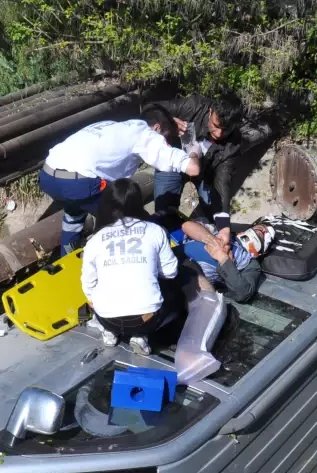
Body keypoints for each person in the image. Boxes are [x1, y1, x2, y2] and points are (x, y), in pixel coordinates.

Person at [40, 106, 201, 255]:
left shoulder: (114, 126)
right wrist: (194, 151)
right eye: (165, 138)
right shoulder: (145, 135)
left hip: (48, 176)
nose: (165, 143)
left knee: (74, 214)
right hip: (78, 182)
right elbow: (193, 168)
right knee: (133, 223)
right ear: (157, 128)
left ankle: (67, 259)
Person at [81, 178, 209, 355]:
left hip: (106, 317)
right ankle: (141, 336)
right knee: (178, 293)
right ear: (138, 204)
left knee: (105, 295)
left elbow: (87, 283)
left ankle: (111, 332)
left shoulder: (95, 240)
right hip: (145, 320)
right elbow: (171, 272)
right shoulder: (154, 230)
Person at [153, 94, 246, 243]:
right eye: (216, 125)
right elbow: (150, 109)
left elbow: (222, 184)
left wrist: (224, 228)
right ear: (210, 112)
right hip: (172, 163)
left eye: (226, 129)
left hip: (203, 174)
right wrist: (166, 122)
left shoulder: (233, 144)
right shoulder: (193, 106)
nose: (219, 133)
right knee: (164, 214)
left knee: (211, 218)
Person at [171, 219, 266, 303]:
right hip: (170, 258)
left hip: (187, 278)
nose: (264, 230)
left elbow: (243, 294)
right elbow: (187, 225)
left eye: (266, 234)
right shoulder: (223, 232)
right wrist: (213, 241)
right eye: (261, 226)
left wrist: (224, 260)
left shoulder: (251, 264)